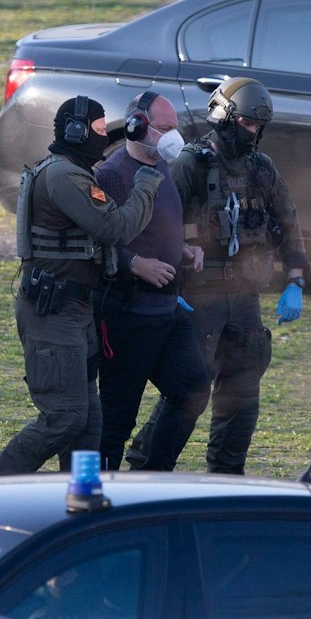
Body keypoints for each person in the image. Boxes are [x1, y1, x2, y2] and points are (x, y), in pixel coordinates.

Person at [0, 96, 164, 477]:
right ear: (75, 131)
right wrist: (147, 183)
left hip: (74, 311)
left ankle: (78, 503)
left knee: (87, 424)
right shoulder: (64, 176)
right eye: (100, 130)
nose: (105, 138)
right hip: (53, 312)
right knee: (65, 419)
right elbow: (115, 227)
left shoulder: (74, 172)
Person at [125, 77, 307, 475]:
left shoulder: (262, 168)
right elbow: (158, 221)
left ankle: (227, 475)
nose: (253, 132)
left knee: (244, 391)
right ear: (225, 117)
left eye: (259, 126)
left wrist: (295, 279)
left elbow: (287, 222)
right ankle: (147, 470)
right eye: (246, 123)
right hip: (199, 296)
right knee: (191, 391)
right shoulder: (192, 162)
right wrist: (170, 284)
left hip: (244, 297)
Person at [92, 92, 210, 471]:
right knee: (116, 416)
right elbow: (94, 239)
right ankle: (95, 498)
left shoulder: (162, 168)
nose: (173, 137)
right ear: (137, 126)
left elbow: (164, 227)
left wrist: (185, 250)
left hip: (166, 310)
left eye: (175, 129)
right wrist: (135, 264)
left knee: (191, 390)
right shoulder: (111, 174)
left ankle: (150, 476)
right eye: (164, 128)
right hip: (128, 313)